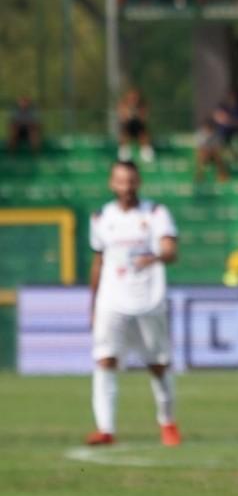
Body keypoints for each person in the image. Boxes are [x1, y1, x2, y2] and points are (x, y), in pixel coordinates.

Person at [86, 161, 181, 447]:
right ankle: (105, 428)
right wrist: (92, 302)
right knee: (105, 359)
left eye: (130, 181)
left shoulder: (155, 213)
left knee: (158, 364)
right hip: (111, 299)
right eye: (120, 181)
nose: (126, 187)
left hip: (148, 299)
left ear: (138, 182)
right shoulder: (101, 217)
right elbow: (99, 260)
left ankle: (167, 422)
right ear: (112, 184)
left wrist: (153, 257)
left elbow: (170, 250)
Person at [117, 88, 155, 163]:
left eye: (135, 97)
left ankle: (146, 153)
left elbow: (144, 118)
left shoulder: (142, 106)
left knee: (143, 132)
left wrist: (136, 115)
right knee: (125, 130)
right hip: (128, 128)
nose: (133, 99)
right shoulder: (123, 105)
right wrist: (128, 115)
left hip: (139, 128)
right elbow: (122, 118)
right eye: (131, 97)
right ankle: (124, 153)